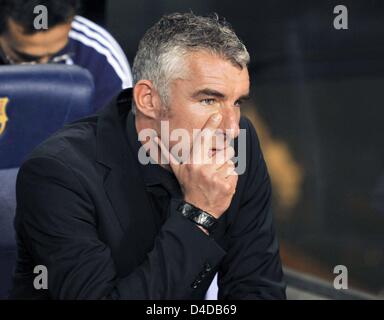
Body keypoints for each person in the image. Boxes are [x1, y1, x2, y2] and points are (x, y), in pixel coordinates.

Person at [10, 13, 286, 299]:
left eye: (237, 102)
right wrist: (198, 215)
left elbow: (258, 287)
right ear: (148, 100)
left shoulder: (239, 145)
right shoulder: (57, 174)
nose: (230, 127)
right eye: (209, 100)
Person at [0, 0, 132, 110]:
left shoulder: (99, 56)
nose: (44, 68)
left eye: (57, 55)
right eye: (27, 59)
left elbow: (114, 136)